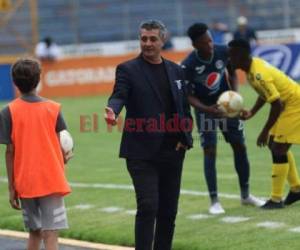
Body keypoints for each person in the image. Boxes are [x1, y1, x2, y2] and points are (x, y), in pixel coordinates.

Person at [104, 20, 193, 250]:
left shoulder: (177, 70)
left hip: (173, 152)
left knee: (168, 211)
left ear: (163, 40)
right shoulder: (127, 69)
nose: (147, 43)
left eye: (153, 39)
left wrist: (185, 140)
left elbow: (184, 107)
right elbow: (119, 95)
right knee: (148, 206)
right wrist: (113, 110)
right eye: (144, 38)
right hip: (141, 153)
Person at [181, 23, 263, 215]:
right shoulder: (188, 64)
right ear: (195, 45)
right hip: (205, 110)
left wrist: (234, 96)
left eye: (210, 39)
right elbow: (187, 95)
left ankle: (246, 195)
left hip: (227, 108)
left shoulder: (223, 51)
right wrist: (206, 108)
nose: (210, 45)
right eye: (204, 42)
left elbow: (232, 73)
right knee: (210, 151)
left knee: (240, 146)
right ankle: (214, 201)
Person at [0, 58, 72, 249]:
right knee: (50, 234)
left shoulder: (8, 112)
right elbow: (57, 146)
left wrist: (12, 187)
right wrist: (64, 157)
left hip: (26, 182)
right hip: (51, 180)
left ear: (14, 82)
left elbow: (10, 152)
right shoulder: (54, 108)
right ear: (39, 79)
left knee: (34, 232)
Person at [228, 39, 300, 209]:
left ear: (241, 55)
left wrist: (264, 131)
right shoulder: (251, 70)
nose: (228, 59)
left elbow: (277, 104)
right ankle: (296, 189)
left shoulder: (259, 74)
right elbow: (265, 94)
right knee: (275, 146)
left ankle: (276, 200)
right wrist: (252, 112)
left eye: (231, 56)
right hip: (287, 104)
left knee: (278, 148)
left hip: (294, 105)